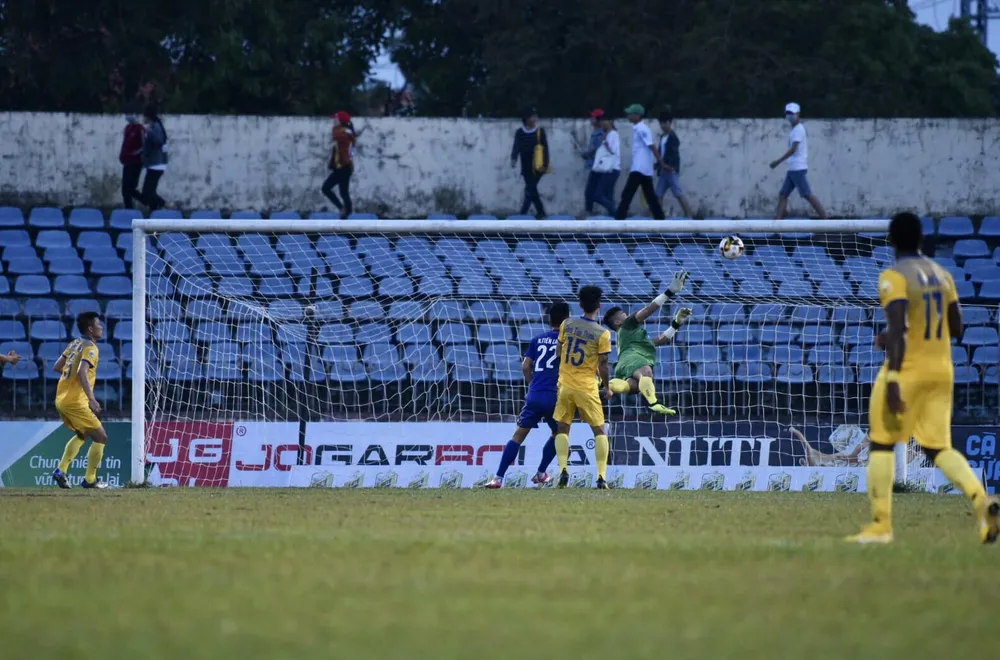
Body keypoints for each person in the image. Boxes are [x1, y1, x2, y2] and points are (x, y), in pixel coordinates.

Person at [847, 211, 998, 544]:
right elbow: (957, 327)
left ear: (891, 240)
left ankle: (881, 525)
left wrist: (894, 378)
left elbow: (900, 327)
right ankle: (981, 502)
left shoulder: (894, 276)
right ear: (921, 239)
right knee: (938, 448)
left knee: (882, 442)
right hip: (941, 370)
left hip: (908, 370)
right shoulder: (942, 275)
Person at [483, 301, 571, 488]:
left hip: (535, 394)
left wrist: (533, 385)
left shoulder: (537, 339)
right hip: (556, 396)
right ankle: (541, 472)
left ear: (549, 319)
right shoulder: (567, 342)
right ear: (567, 320)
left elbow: (525, 366)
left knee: (517, 437)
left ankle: (498, 478)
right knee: (559, 434)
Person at [603, 272, 691, 414]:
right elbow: (648, 309)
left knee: (632, 386)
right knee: (646, 372)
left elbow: (662, 340)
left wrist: (676, 323)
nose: (628, 315)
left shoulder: (631, 337)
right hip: (633, 359)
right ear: (618, 322)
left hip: (623, 364)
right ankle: (654, 403)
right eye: (624, 315)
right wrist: (670, 291)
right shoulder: (627, 326)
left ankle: (602, 383)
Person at [553, 286, 613, 489]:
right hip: (587, 386)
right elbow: (603, 364)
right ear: (599, 305)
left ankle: (563, 470)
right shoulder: (602, 333)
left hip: (565, 386)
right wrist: (607, 387)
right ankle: (601, 477)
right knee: (599, 431)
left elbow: (559, 351)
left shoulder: (567, 324)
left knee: (562, 427)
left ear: (580, 304)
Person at [51, 312, 108, 490]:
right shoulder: (91, 348)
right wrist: (91, 398)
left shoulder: (74, 343)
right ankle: (90, 480)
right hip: (76, 401)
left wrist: (70, 380)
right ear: (90, 328)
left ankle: (61, 471)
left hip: (61, 399)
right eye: (98, 324)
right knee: (101, 437)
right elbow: (82, 371)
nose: (101, 327)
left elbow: (57, 367)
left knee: (83, 434)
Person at [769, 102, 827, 219]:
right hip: (793, 168)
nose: (790, 116)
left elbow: (793, 149)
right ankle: (779, 219)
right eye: (788, 113)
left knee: (807, 194)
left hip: (797, 168)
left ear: (798, 114)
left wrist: (778, 162)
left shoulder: (799, 130)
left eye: (792, 113)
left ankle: (825, 218)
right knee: (783, 194)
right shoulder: (795, 130)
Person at [615, 103, 666, 220]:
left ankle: (619, 218)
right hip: (643, 168)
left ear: (637, 115)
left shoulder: (642, 129)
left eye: (630, 114)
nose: (628, 116)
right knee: (650, 196)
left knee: (627, 193)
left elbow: (652, 146)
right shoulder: (637, 128)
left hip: (639, 167)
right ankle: (660, 218)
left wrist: (661, 162)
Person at [510, 107, 549, 217]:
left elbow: (545, 150)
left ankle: (525, 214)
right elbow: (516, 147)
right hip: (526, 167)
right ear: (526, 119)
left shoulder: (540, 132)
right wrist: (513, 158)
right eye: (532, 117)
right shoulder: (520, 133)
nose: (534, 119)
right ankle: (538, 213)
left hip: (538, 167)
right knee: (531, 191)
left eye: (535, 117)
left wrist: (545, 165)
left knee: (530, 190)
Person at [655, 113, 694, 218]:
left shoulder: (673, 137)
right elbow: (661, 152)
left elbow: (674, 154)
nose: (663, 125)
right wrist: (659, 165)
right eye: (661, 123)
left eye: (665, 123)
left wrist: (671, 166)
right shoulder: (662, 137)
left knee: (678, 193)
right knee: (658, 194)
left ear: (670, 123)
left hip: (670, 171)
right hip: (663, 170)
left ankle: (689, 214)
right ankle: (658, 216)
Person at [322, 111, 357, 219]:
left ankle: (344, 210)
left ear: (341, 121)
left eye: (335, 119)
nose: (333, 121)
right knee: (343, 192)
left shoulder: (343, 132)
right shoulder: (347, 131)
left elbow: (336, 135)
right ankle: (346, 211)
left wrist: (336, 127)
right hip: (344, 167)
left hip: (343, 167)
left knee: (326, 188)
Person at [135, 104, 168, 211]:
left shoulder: (155, 127)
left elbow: (159, 140)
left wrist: (148, 132)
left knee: (147, 192)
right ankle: (154, 210)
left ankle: (166, 205)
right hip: (154, 164)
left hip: (156, 164)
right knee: (150, 192)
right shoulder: (154, 126)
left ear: (147, 116)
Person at [590, 114, 620, 216]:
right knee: (608, 195)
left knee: (598, 195)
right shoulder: (607, 134)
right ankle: (615, 217)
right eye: (602, 120)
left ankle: (617, 212)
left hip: (612, 169)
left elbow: (612, 150)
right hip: (607, 169)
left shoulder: (614, 134)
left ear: (611, 121)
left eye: (605, 120)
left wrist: (603, 141)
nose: (603, 122)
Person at [119, 111, 144, 209]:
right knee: (125, 190)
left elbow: (144, 145)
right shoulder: (127, 128)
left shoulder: (140, 128)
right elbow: (125, 144)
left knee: (131, 189)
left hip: (136, 162)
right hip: (127, 161)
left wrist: (136, 153)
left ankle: (148, 201)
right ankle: (128, 209)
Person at [582, 109, 605, 215]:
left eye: (593, 118)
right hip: (595, 166)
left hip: (597, 167)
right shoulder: (596, 132)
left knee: (590, 191)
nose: (591, 120)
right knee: (594, 192)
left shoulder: (600, 134)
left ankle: (589, 211)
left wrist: (586, 154)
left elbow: (596, 149)